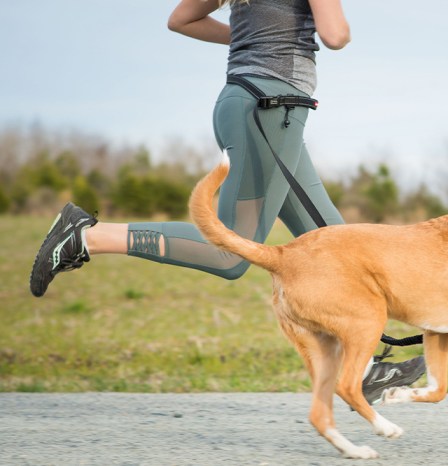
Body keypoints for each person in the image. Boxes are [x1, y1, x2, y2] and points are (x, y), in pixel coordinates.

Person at [29, 0, 424, 404]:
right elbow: (336, 35)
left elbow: (181, 19)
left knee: (341, 246)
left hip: (254, 105)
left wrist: (254, 37)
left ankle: (364, 366)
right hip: (270, 110)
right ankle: (88, 236)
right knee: (230, 254)